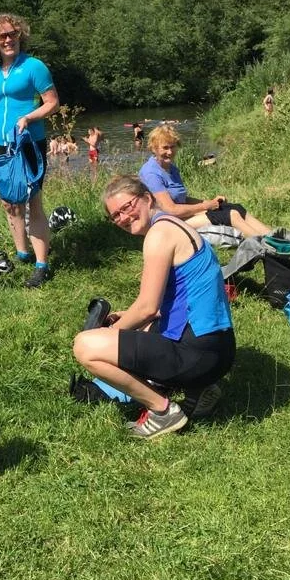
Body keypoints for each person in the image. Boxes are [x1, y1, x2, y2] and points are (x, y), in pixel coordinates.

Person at [73, 175, 236, 439]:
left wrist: (107, 334)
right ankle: (202, 388)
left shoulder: (159, 235)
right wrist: (127, 318)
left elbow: (148, 307)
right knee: (143, 327)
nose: (123, 217)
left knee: (85, 346)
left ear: (147, 198)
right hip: (219, 350)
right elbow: (172, 301)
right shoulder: (173, 226)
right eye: (115, 215)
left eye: (127, 207)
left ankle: (163, 411)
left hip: (201, 355)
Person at [0, 12, 59, 288]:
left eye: (12, 33)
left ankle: (41, 265)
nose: (8, 39)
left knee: (33, 201)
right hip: (0, 145)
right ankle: (22, 254)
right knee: (9, 201)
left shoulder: (34, 66)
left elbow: (52, 102)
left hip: (28, 142)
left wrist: (29, 117)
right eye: (2, 35)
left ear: (20, 36)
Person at [139, 125, 271, 239]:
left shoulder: (171, 168)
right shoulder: (151, 173)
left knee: (234, 207)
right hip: (166, 223)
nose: (170, 152)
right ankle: (266, 247)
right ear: (154, 148)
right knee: (230, 215)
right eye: (165, 148)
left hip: (181, 216)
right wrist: (205, 206)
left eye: (172, 147)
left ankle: (271, 236)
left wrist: (209, 202)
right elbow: (171, 209)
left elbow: (182, 199)